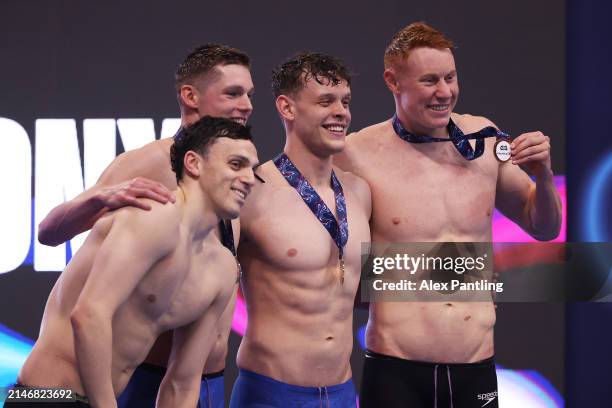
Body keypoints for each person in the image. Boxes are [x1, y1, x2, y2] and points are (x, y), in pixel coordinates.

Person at [336, 22, 562, 408]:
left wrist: (543, 177)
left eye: (450, 77)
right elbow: (339, 266)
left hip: (475, 364)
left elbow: (544, 227)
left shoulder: (486, 137)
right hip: (395, 369)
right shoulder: (356, 153)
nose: (445, 92)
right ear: (393, 81)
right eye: (429, 81)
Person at [36, 44, 254, 408]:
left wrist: (376, 286)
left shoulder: (238, 179)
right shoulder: (150, 165)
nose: (246, 104)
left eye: (249, 94)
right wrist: (99, 198)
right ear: (190, 96)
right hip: (130, 379)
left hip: (203, 380)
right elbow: (49, 234)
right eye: (233, 93)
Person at [229, 53, 371, 408]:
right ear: (287, 108)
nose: (341, 112)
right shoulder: (251, 190)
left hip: (341, 392)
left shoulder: (360, 192)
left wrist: (474, 282)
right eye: (326, 101)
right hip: (269, 393)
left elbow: (365, 291)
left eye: (345, 101)